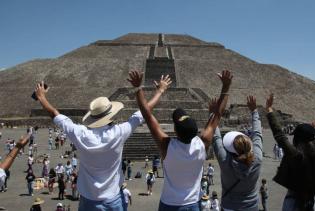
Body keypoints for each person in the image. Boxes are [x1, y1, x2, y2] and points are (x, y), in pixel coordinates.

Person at [34, 74, 170, 211]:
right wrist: (158, 91)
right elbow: (144, 112)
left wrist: (42, 97)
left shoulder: (81, 134)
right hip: (113, 198)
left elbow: (55, 114)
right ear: (111, 114)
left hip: (88, 200)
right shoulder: (119, 132)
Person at [128, 70, 232, 210]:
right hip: (193, 204)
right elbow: (218, 115)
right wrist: (226, 87)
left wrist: (147, 89)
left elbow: (146, 114)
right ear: (196, 132)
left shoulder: (167, 146)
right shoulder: (202, 144)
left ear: (175, 131)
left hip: (169, 204)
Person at [265, 92, 315, 211]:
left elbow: (280, 136)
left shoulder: (296, 154)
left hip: (294, 201)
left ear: (298, 138)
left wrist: (269, 110)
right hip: (313, 201)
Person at [212, 95, 263, 211]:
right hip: (251, 206)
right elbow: (257, 134)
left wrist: (213, 113)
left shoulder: (225, 160)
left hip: (229, 206)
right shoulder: (257, 158)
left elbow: (216, 138)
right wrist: (254, 111)